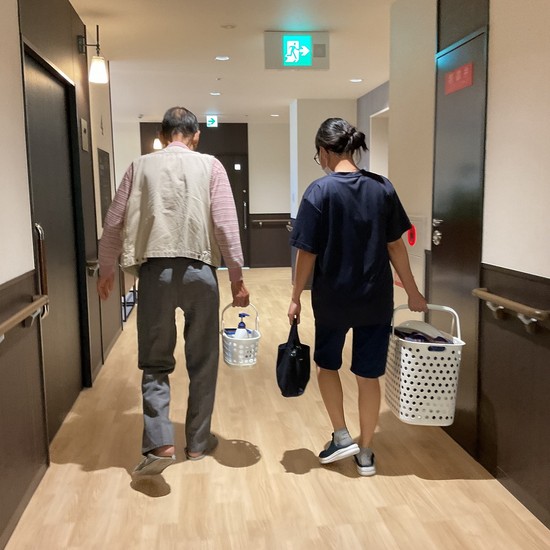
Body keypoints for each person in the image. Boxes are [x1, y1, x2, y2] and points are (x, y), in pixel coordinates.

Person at [97, 106, 250, 476]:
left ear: (162, 135)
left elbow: (114, 221)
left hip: (155, 274)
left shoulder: (139, 167)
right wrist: (236, 277)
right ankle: (197, 443)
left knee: (154, 361)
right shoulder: (211, 166)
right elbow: (225, 224)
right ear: (196, 135)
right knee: (204, 360)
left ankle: (160, 442)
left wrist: (107, 269)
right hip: (201, 272)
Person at [288, 117, 427, 476]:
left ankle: (341, 435)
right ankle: (365, 452)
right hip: (374, 299)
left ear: (324, 151)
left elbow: (307, 252)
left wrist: (295, 296)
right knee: (368, 376)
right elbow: (395, 246)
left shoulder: (319, 192)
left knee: (327, 365)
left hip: (333, 298)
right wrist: (412, 290)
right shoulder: (382, 188)